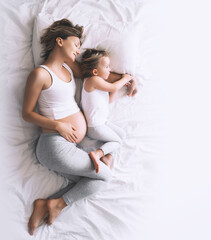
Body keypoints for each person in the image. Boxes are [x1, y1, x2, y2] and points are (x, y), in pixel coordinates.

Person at [22, 19, 137, 235]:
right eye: (75, 44)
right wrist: (58, 125)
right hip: (54, 144)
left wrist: (126, 79)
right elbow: (27, 114)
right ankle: (55, 205)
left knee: (96, 180)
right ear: (59, 41)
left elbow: (95, 74)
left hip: (66, 147)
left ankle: (46, 205)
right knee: (104, 175)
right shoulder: (41, 74)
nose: (78, 50)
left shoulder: (68, 67)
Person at [80, 49, 132, 173]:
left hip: (101, 122)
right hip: (95, 126)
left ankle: (107, 157)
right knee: (117, 141)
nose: (110, 70)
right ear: (95, 71)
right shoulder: (92, 80)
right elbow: (114, 86)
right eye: (107, 67)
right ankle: (97, 154)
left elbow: (108, 101)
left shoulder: (98, 83)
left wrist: (116, 86)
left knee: (122, 134)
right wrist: (125, 78)